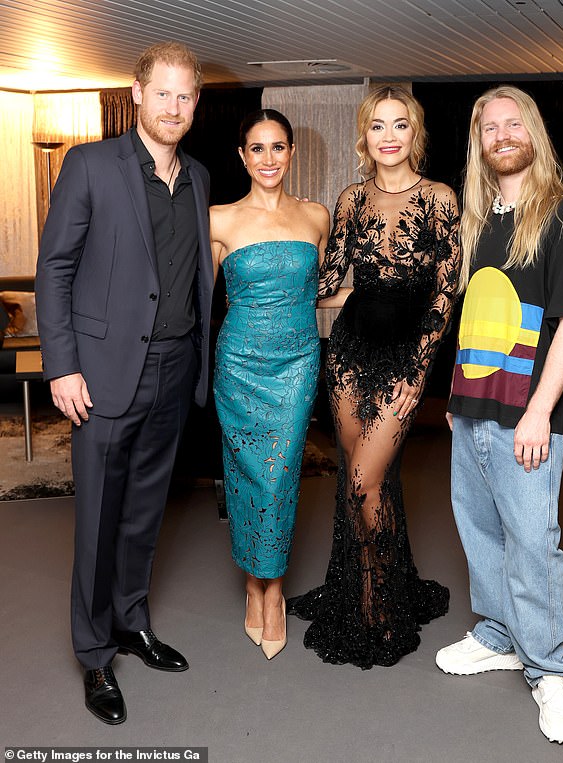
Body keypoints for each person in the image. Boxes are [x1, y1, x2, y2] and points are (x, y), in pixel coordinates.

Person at [35, 41, 213, 724]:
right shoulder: (89, 165)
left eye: (185, 95)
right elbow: (55, 267)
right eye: (161, 92)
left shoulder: (196, 175)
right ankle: (93, 653)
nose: (173, 106)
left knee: (144, 512)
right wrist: (62, 364)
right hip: (102, 376)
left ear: (196, 102)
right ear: (136, 93)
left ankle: (132, 620)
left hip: (173, 370)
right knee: (98, 518)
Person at [436, 86, 563, 745]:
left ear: (531, 132)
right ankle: (502, 634)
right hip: (473, 407)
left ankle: (550, 668)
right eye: (488, 128)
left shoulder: (560, 216)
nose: (501, 135)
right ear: (479, 144)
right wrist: (455, 395)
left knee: (533, 540)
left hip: (528, 416)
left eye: (512, 124)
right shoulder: (480, 221)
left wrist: (538, 411)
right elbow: (480, 317)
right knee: (481, 530)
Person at [287, 86, 460, 669]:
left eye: (401, 125)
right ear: (364, 137)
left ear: (416, 135)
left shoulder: (439, 199)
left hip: (403, 362)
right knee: (362, 482)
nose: (389, 136)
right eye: (379, 126)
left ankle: (377, 601)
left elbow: (444, 296)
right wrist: (278, 261)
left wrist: (418, 372)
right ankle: (368, 587)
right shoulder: (351, 199)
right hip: (349, 355)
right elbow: (334, 281)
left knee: (364, 478)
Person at [210, 109, 330, 660]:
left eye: (278, 147)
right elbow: (195, 299)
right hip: (238, 364)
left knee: (280, 475)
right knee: (245, 476)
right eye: (256, 149)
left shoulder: (315, 217)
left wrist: (377, 297)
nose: (268, 160)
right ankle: (252, 585)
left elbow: (315, 292)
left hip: (298, 361)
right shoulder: (218, 221)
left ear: (292, 152)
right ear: (242, 156)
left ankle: (273, 589)